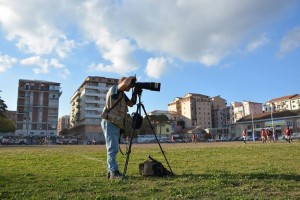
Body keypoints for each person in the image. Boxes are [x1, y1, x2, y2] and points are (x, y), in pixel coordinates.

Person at [100, 76, 139, 179]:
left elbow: (131, 104)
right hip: (110, 122)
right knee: (112, 148)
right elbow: (125, 84)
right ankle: (113, 172)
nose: (130, 86)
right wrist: (132, 78)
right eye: (130, 84)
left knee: (113, 148)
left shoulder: (122, 94)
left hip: (115, 123)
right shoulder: (114, 89)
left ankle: (110, 172)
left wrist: (135, 92)